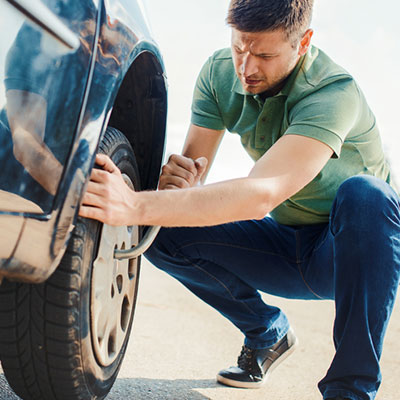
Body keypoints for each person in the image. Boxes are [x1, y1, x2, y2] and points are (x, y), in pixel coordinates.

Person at [79, 0, 400, 399]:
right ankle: (267, 332)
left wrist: (133, 203)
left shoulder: (333, 93)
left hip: (344, 255)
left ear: (303, 43)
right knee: (160, 230)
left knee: (367, 195)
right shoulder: (219, 74)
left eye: (264, 55)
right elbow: (190, 178)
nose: (247, 69)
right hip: (283, 245)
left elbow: (261, 194)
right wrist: (176, 189)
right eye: (239, 48)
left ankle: (350, 391)